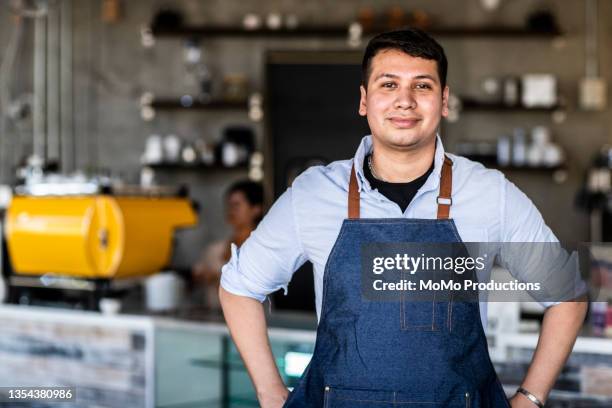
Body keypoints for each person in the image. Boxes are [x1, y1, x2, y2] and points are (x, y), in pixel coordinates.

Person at [219, 29, 587, 408]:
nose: (405, 101)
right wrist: (270, 393)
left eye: (422, 86)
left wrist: (530, 398)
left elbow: (568, 294)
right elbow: (238, 287)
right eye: (388, 84)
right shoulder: (312, 194)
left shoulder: (491, 194)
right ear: (364, 100)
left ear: (444, 100)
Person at [192, 180, 263, 310]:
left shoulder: (262, 251)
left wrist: (216, 279)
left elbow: (254, 289)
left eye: (236, 205)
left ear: (256, 209)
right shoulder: (213, 250)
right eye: (228, 205)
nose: (231, 210)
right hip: (215, 321)